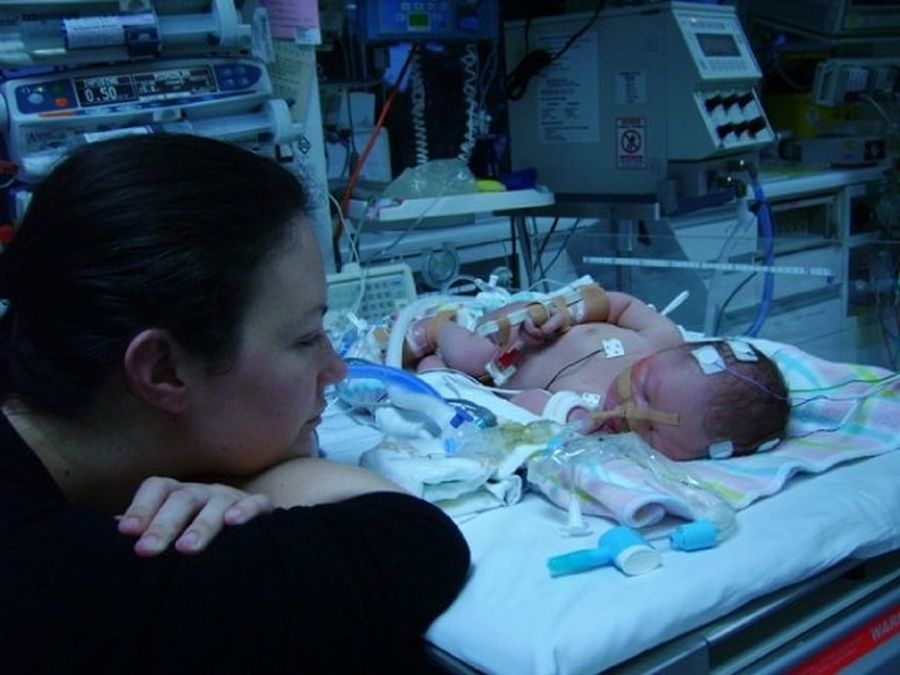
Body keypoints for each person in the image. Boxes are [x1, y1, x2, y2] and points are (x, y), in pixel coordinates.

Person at [0, 134, 470, 673]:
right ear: (163, 369)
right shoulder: (60, 585)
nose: (336, 370)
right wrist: (259, 485)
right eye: (305, 339)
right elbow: (413, 542)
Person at [405, 285, 790, 461]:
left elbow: (521, 408)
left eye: (651, 433)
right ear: (681, 351)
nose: (630, 411)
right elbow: (619, 305)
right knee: (473, 356)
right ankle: (438, 328)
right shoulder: (662, 337)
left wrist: (563, 416)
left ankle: (430, 364)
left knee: (446, 390)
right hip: (515, 331)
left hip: (497, 381)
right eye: (645, 389)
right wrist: (564, 312)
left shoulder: (594, 423)